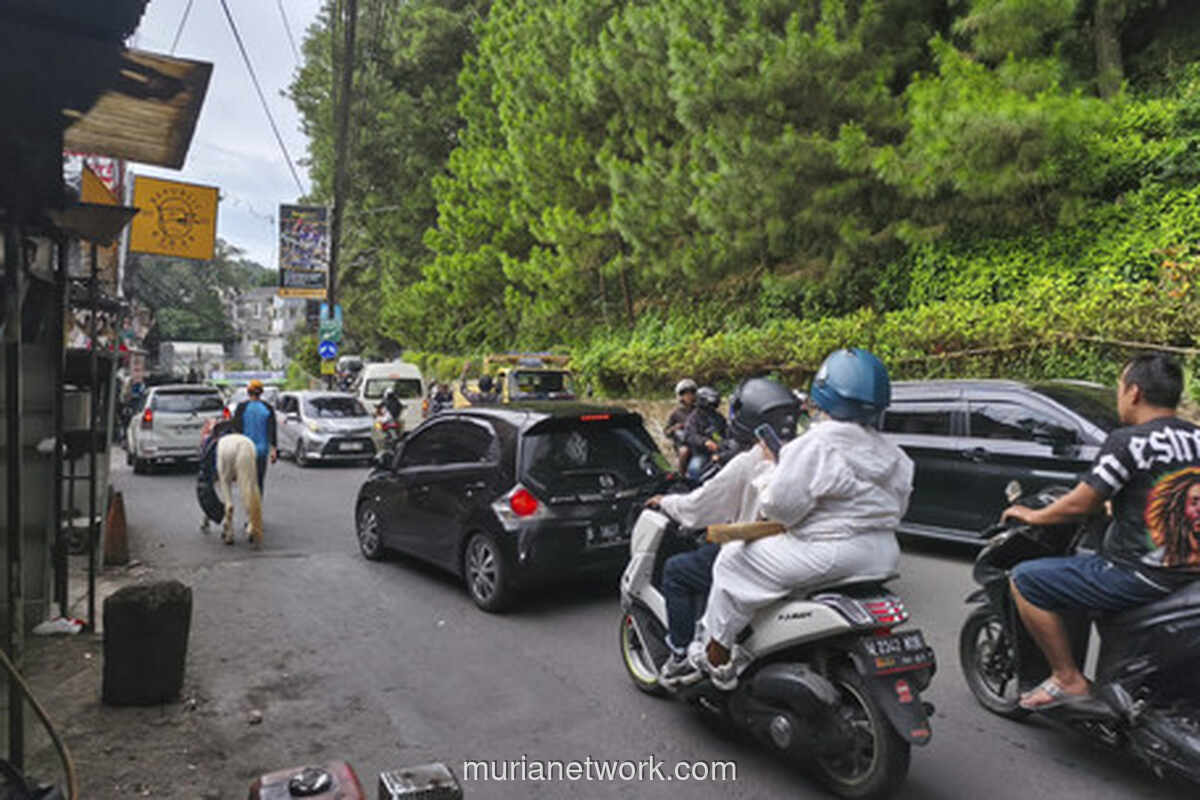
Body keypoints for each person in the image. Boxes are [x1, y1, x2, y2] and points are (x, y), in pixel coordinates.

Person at [694, 349, 913, 690]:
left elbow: (782, 508)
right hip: (883, 553)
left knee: (731, 561)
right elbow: (898, 509)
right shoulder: (895, 454)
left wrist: (769, 467)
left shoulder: (815, 444)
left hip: (829, 554)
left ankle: (717, 656)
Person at [1001, 353, 1200, 710]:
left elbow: (1082, 503)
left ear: (1134, 392)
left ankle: (1068, 678)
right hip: (1190, 573)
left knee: (1025, 579)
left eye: (1120, 387)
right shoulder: (1197, 438)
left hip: (1143, 574)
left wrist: (1034, 516)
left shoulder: (1129, 441)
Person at [645, 377, 802, 686]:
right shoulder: (802, 453)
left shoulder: (750, 461)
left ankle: (679, 655)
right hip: (796, 550)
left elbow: (698, 507)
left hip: (752, 548)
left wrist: (666, 502)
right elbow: (691, 439)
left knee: (676, 571)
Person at [232, 379, 278, 494]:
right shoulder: (268, 408)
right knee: (259, 480)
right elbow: (272, 430)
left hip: (245, 450)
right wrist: (273, 449)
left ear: (248, 392)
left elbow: (236, 430)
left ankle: (248, 502)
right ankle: (257, 504)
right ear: (261, 393)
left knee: (247, 479)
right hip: (262, 451)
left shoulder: (241, 407)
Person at [683, 386, 727, 479]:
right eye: (712, 403)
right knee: (695, 469)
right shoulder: (694, 418)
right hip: (702, 453)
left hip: (721, 451)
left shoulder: (718, 417)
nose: (714, 406)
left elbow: (726, 432)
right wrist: (705, 442)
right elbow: (689, 435)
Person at [665, 379, 698, 473]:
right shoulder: (676, 413)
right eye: (686, 394)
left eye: (691, 393)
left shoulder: (699, 411)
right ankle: (681, 476)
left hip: (697, 440)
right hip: (683, 442)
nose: (689, 396)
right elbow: (666, 432)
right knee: (684, 451)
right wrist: (675, 428)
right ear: (681, 396)